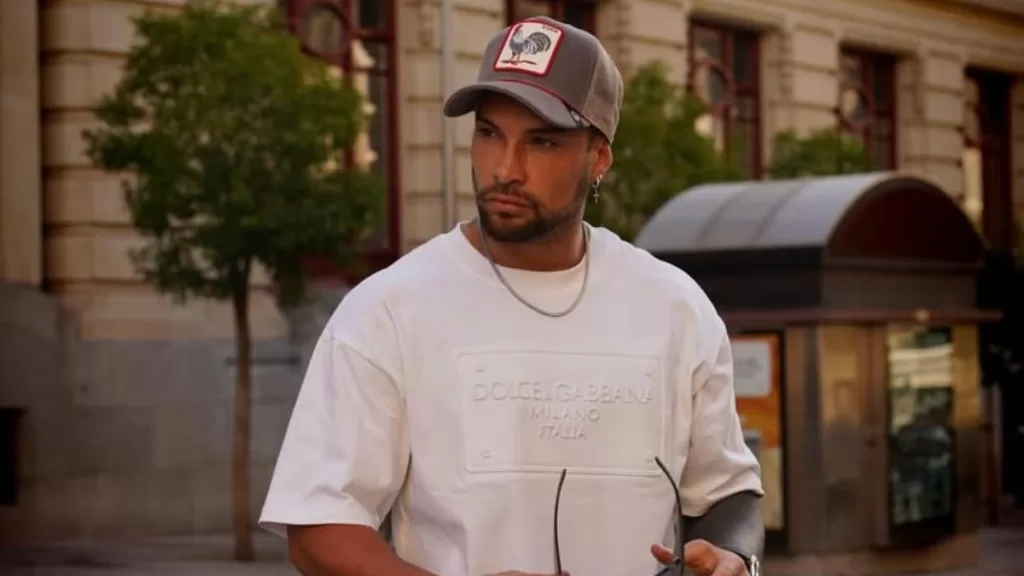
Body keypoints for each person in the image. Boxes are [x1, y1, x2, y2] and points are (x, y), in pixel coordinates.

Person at [259, 15, 764, 576]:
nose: (504, 169)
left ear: (599, 157)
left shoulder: (674, 307)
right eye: (489, 133)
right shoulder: (388, 309)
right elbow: (319, 528)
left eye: (542, 141)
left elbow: (728, 491)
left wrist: (734, 557)